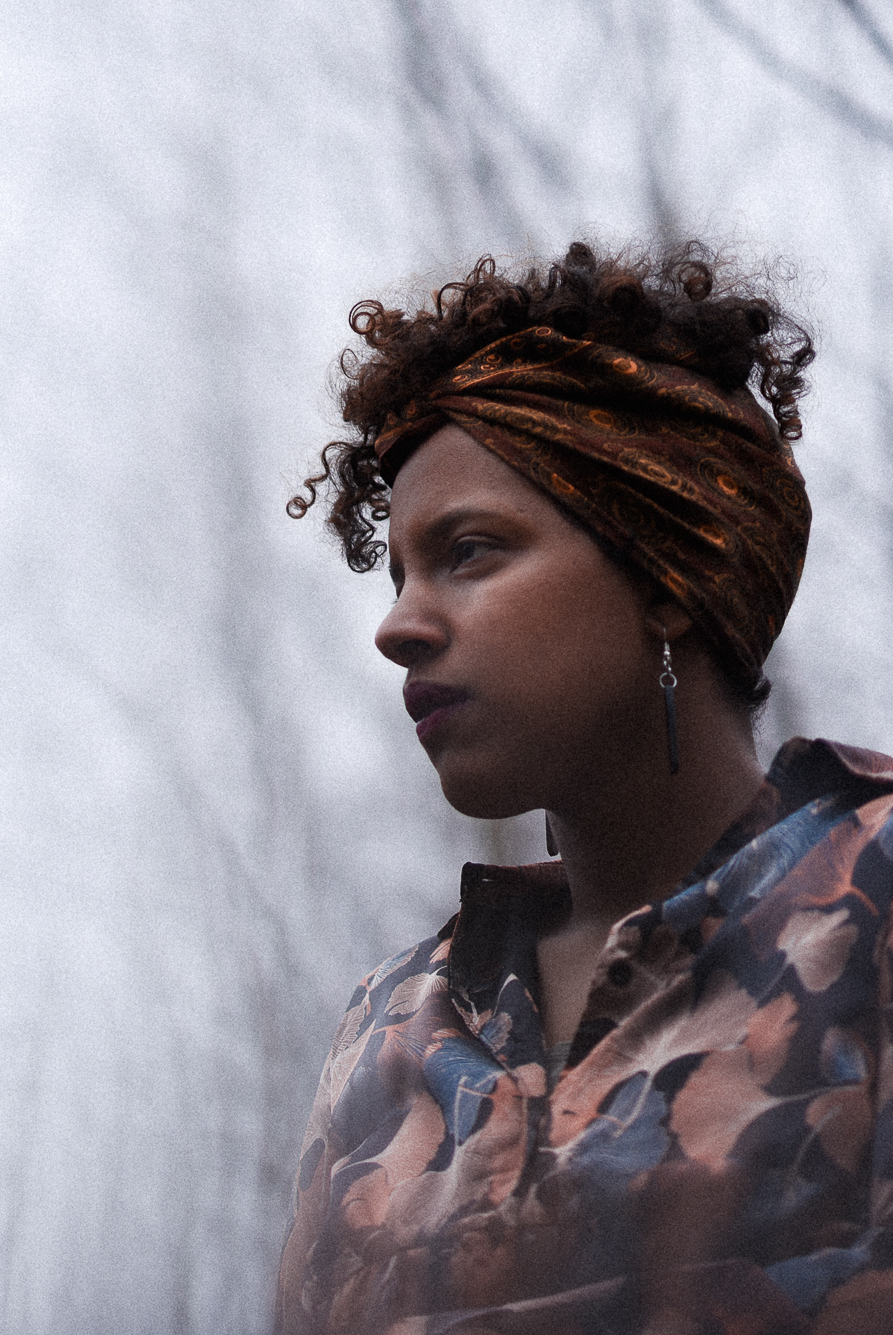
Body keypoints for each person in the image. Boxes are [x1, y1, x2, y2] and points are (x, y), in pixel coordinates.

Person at [275, 242, 893, 1334]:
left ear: (666, 574)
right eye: (399, 574)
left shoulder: (873, 901)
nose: (397, 626)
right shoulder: (387, 1025)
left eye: (470, 551)